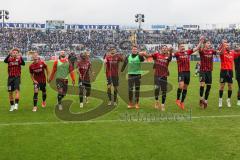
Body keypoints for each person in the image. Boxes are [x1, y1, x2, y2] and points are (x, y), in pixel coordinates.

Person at [173, 37, 204, 110]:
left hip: (188, 72)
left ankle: (182, 102)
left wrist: (201, 42)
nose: (182, 48)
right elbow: (171, 53)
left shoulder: (188, 52)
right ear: (178, 48)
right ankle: (177, 99)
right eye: (181, 47)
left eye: (183, 46)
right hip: (181, 72)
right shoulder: (177, 53)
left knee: (185, 87)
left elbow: (196, 48)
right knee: (181, 85)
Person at [140, 45, 172, 111]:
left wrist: (170, 51)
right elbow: (148, 56)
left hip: (164, 76)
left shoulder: (168, 56)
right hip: (157, 75)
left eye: (165, 48)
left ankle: (163, 105)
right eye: (163, 48)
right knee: (157, 89)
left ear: (167, 50)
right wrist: (144, 54)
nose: (164, 49)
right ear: (161, 49)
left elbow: (170, 58)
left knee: (164, 91)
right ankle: (156, 101)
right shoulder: (156, 54)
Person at [121, 45, 145, 109]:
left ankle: (137, 103)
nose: (134, 50)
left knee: (137, 89)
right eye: (133, 49)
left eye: (135, 49)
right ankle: (130, 103)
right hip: (130, 74)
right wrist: (121, 71)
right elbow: (124, 64)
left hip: (137, 75)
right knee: (130, 89)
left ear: (137, 50)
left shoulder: (139, 56)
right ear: (131, 50)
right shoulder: (128, 56)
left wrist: (142, 54)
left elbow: (143, 60)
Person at [218, 40, 240, 108]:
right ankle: (220, 100)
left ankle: (228, 100)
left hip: (230, 71)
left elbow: (238, 52)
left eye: (228, 45)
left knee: (230, 86)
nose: (228, 46)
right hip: (223, 71)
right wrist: (223, 45)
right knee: (222, 86)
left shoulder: (232, 53)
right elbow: (220, 51)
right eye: (226, 45)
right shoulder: (222, 52)